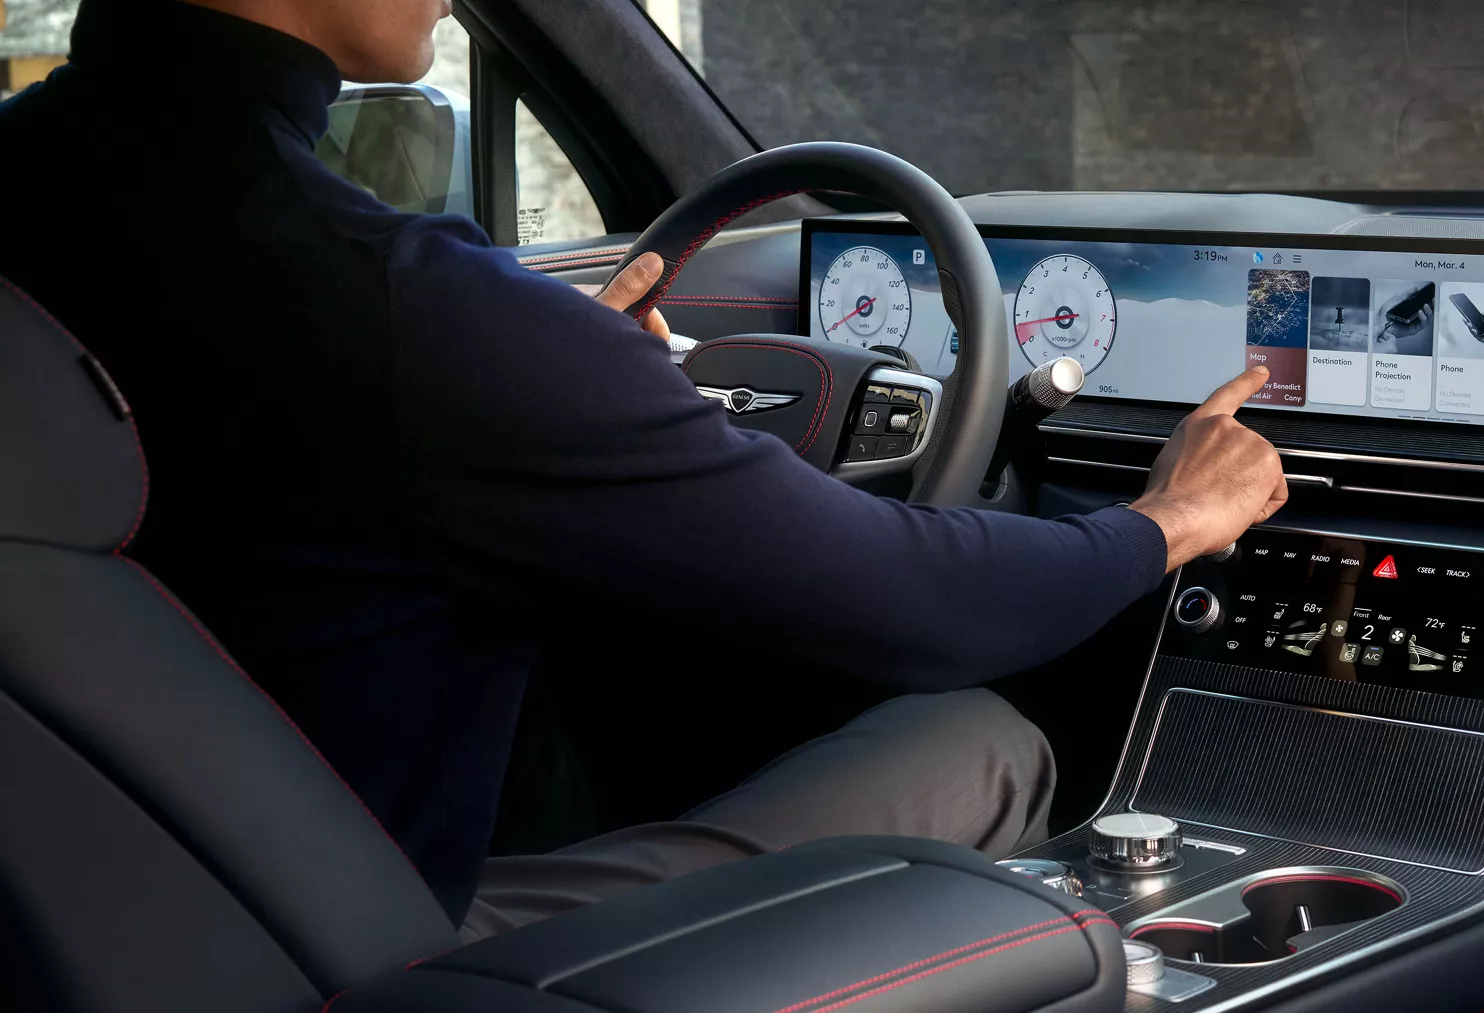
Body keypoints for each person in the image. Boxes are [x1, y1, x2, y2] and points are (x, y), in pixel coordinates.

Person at [0, 0, 1287, 936]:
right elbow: (932, 603)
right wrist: (1171, 514)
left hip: (109, 909)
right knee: (984, 738)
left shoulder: (43, 184)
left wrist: (575, 384)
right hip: (364, 951)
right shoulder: (398, 302)